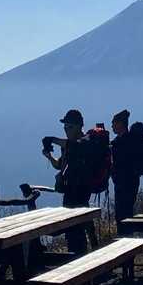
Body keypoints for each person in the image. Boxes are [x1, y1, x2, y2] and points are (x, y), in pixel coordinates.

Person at [43, 108, 97, 253]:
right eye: (65, 127)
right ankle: (80, 256)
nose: (66, 130)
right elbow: (59, 165)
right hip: (69, 192)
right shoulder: (69, 146)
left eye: (69, 127)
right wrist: (49, 157)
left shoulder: (85, 141)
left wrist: (53, 139)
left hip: (80, 193)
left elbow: (75, 146)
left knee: (77, 230)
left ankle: (80, 259)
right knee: (75, 231)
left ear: (79, 126)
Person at [110, 109, 143, 224]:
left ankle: (124, 234)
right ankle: (126, 233)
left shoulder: (122, 142)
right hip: (131, 182)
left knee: (122, 216)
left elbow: (120, 162)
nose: (112, 126)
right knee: (126, 213)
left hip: (124, 183)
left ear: (120, 124)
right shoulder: (129, 141)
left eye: (114, 123)